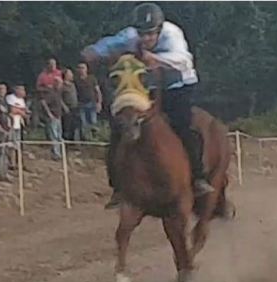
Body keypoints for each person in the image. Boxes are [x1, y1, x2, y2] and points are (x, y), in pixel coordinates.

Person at [82, 2, 215, 209]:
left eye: (151, 34)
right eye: (142, 34)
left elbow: (185, 61)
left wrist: (156, 58)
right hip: (151, 87)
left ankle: (197, 177)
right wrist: (93, 51)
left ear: (160, 30)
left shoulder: (173, 34)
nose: (145, 39)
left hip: (179, 84)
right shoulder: (130, 36)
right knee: (121, 127)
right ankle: (118, 186)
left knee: (183, 125)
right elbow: (111, 43)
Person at [75, 61, 104, 139]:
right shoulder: (76, 80)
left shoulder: (92, 78)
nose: (81, 70)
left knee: (93, 121)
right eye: (79, 68)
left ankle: (95, 138)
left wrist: (99, 102)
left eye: (83, 68)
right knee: (84, 123)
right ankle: (86, 139)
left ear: (86, 69)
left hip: (92, 103)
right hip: (81, 104)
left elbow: (98, 91)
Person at [39, 77, 64, 161]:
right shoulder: (51, 93)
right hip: (53, 117)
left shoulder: (58, 93)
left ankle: (59, 153)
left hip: (58, 116)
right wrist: (49, 113)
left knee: (59, 136)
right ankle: (55, 154)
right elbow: (43, 102)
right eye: (59, 83)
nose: (60, 85)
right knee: (54, 136)